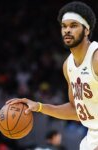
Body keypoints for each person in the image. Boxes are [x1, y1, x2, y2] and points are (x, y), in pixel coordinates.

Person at [6, 1, 98, 150]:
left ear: (87, 30)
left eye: (73, 25)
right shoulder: (68, 66)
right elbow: (76, 110)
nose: (67, 30)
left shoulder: (96, 59)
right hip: (91, 137)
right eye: (64, 26)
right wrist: (39, 107)